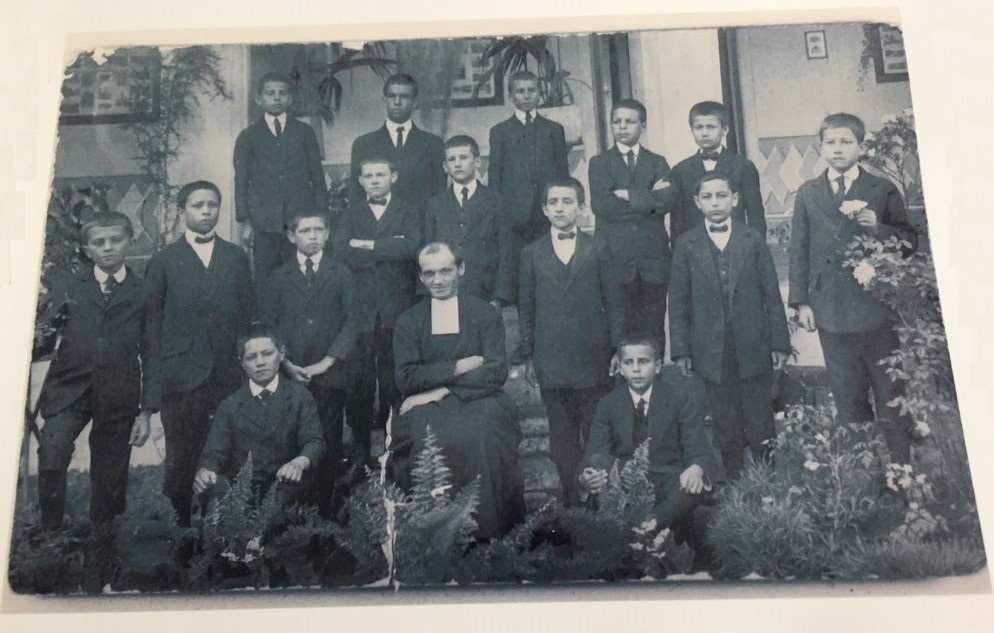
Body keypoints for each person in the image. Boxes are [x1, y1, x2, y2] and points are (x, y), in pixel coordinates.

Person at [788, 112, 919, 463]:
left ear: (861, 146)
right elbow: (798, 249)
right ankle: (863, 474)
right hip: (831, 311)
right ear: (821, 147)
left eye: (846, 141)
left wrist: (877, 228)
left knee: (891, 394)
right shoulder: (808, 193)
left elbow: (909, 241)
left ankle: (902, 472)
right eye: (830, 142)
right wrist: (801, 303)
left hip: (876, 309)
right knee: (848, 397)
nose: (838, 149)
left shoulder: (881, 189)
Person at [392, 242, 526, 540]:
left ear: (461, 270)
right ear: (421, 277)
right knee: (425, 440)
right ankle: (432, 539)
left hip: (481, 399)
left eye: (445, 271)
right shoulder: (409, 321)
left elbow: (495, 371)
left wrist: (440, 389)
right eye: (429, 274)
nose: (438, 280)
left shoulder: (485, 314)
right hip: (426, 405)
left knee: (482, 436)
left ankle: (489, 537)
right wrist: (457, 367)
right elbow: (406, 378)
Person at [143, 180, 255, 526]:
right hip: (181, 376)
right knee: (182, 455)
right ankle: (182, 529)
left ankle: (222, 527)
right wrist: (153, 390)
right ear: (182, 212)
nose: (206, 212)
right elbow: (151, 327)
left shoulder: (236, 257)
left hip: (226, 374)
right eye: (197, 205)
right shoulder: (163, 261)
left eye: (212, 205)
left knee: (227, 450)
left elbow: (248, 314)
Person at [35, 212, 152, 529]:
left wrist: (146, 411)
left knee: (110, 470)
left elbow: (152, 352)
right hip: (69, 389)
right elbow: (42, 336)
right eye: (99, 242)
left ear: (130, 242)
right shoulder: (70, 286)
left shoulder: (143, 291)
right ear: (87, 249)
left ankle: (103, 536)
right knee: (52, 452)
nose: (108, 247)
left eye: (116, 240)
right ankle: (51, 532)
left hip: (118, 392)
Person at [669, 174, 791, 478]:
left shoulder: (752, 239)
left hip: (752, 345)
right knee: (725, 422)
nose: (715, 202)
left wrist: (779, 342)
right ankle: (735, 485)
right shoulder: (686, 244)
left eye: (721, 195)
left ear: (734, 199)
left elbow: (772, 295)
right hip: (711, 350)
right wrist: (681, 350)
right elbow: (679, 301)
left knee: (760, 420)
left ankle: (766, 484)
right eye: (707, 197)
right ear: (697, 202)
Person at [518, 178, 625, 505]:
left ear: (581, 208)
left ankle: (597, 504)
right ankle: (572, 502)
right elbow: (527, 308)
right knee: (562, 440)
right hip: (551, 362)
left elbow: (615, 302)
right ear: (544, 209)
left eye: (568, 202)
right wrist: (529, 356)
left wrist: (617, 348)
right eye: (554, 202)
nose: (560, 208)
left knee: (595, 433)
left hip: (593, 359)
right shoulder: (531, 253)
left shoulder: (599, 248)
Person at [258, 209, 357, 516]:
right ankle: (292, 510)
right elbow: (270, 325)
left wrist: (328, 361)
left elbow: (352, 322)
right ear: (291, 236)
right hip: (291, 373)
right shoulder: (278, 278)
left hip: (329, 375)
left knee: (328, 438)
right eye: (304, 231)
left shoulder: (341, 273)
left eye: (318, 230)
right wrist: (285, 363)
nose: (312, 237)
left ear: (327, 234)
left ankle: (325, 511)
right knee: (291, 439)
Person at [332, 158, 421, 478]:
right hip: (362, 311)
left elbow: (411, 247)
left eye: (380, 174)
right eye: (368, 176)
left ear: (393, 176)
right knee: (360, 382)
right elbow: (341, 251)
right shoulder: (351, 214)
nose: (374, 180)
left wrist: (367, 245)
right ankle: (359, 453)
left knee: (393, 381)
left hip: (397, 309)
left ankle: (394, 452)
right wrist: (388, 246)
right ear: (360, 181)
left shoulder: (408, 210)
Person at [578, 336, 717, 533]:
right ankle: (626, 527)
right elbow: (593, 454)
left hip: (667, 479)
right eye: (629, 362)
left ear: (657, 366)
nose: (636, 369)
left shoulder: (678, 398)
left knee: (693, 482)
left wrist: (697, 468)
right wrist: (586, 478)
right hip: (626, 480)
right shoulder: (608, 404)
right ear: (620, 368)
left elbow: (701, 452)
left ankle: (652, 522)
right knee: (599, 463)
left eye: (643, 362)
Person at [193, 326, 325, 503]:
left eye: (267, 354)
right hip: (242, 486)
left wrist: (300, 462)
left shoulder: (300, 396)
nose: (260, 362)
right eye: (251, 357)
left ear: (281, 354)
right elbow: (213, 453)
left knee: (287, 496)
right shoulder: (230, 405)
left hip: (285, 481)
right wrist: (205, 471)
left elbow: (314, 441)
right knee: (214, 488)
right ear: (242, 363)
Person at [588, 98, 675, 347]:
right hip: (615, 260)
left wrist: (627, 194)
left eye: (630, 121)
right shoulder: (599, 163)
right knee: (618, 329)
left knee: (653, 328)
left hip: (653, 260)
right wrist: (648, 199)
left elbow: (667, 201)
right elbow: (604, 206)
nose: (623, 126)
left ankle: (654, 373)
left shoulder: (657, 162)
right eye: (617, 121)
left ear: (643, 126)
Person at [234, 72, 328, 278]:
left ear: (290, 98)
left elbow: (318, 179)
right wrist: (246, 222)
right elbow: (241, 182)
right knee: (266, 278)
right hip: (264, 224)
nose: (276, 98)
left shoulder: (304, 132)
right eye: (270, 93)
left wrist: (320, 216)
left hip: (300, 220)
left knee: (301, 274)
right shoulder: (248, 136)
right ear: (259, 99)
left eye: (282, 93)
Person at [487, 69, 569, 303]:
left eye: (531, 90)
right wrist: (500, 212)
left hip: (546, 213)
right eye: (520, 91)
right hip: (514, 215)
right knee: (518, 273)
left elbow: (562, 173)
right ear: (511, 95)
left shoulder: (553, 129)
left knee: (548, 270)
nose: (526, 95)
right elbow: (495, 176)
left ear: (539, 93)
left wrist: (560, 206)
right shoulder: (500, 132)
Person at [423, 134, 512, 308]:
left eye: (463, 157)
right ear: (445, 167)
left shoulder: (497, 201)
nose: (457, 164)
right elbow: (428, 251)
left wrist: (499, 297)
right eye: (451, 159)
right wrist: (429, 294)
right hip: (444, 291)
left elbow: (506, 252)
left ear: (477, 162)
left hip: (485, 291)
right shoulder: (434, 204)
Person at [668, 101, 766, 243]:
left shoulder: (743, 166)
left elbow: (755, 215)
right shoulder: (681, 170)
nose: (704, 133)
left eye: (711, 127)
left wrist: (755, 249)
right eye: (698, 127)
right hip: (696, 248)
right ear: (692, 130)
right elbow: (677, 221)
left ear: (724, 130)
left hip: (735, 246)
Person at [349, 72, 445, 215]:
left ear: (415, 102)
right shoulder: (364, 144)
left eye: (404, 96)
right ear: (384, 101)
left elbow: (440, 196)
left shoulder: (433, 143)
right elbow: (356, 197)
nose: (397, 102)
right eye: (392, 96)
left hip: (421, 223)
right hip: (380, 224)